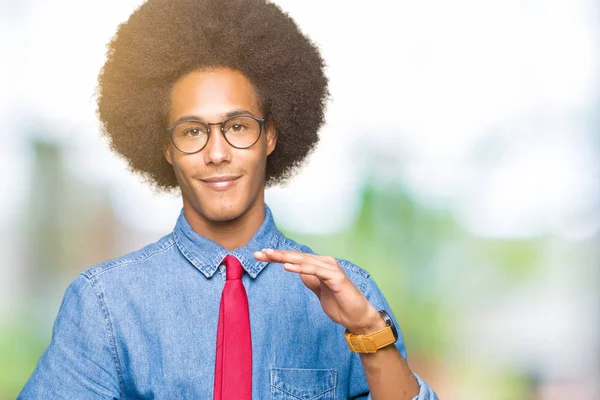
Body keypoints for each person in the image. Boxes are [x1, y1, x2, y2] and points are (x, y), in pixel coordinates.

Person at [19, 0, 438, 399]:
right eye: (192, 131)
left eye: (237, 127)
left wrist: (368, 331)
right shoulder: (105, 303)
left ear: (270, 136)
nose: (217, 153)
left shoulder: (351, 293)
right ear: (165, 148)